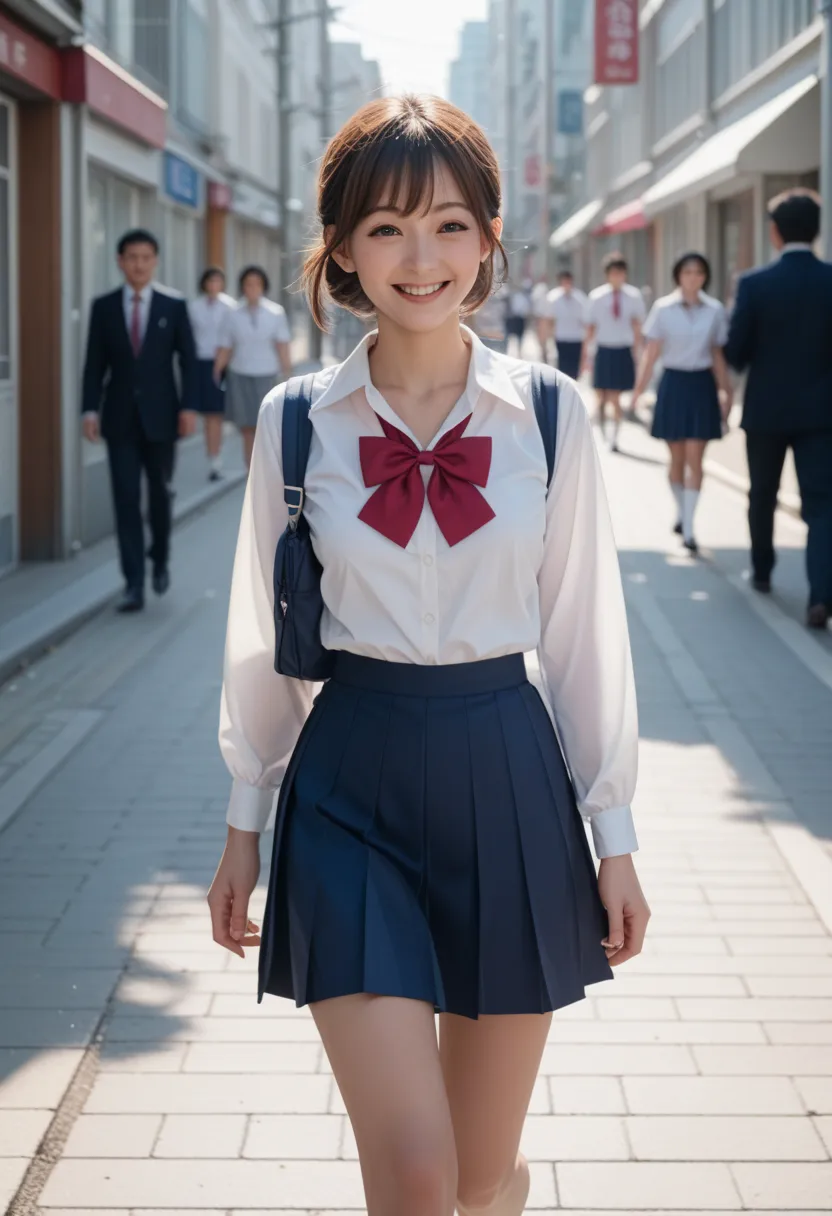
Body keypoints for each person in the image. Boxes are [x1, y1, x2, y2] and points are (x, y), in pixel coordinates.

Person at [207, 94, 649, 1216]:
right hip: (349, 783)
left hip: (506, 775)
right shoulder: (295, 421)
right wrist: (241, 829)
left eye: (451, 224)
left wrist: (617, 835)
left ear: (490, 238)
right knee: (414, 1178)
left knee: (479, 1171)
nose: (422, 256)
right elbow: (262, 642)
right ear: (343, 247)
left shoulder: (548, 415)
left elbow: (585, 631)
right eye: (389, 226)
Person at [725, 188, 832, 630]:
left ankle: (764, 572)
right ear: (817, 230)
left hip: (766, 409)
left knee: (763, 494)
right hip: (822, 413)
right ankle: (821, 596)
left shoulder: (754, 284)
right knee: (823, 505)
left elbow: (736, 352)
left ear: (774, 232)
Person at [81, 228, 197, 614]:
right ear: (120, 261)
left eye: (146, 257)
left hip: (163, 418)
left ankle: (159, 557)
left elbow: (189, 359)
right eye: (132, 257)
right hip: (118, 419)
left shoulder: (173, 305)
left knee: (160, 495)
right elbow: (94, 364)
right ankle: (133, 583)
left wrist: (188, 408)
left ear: (155, 261)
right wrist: (89, 409)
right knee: (126, 499)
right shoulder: (104, 307)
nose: (139, 264)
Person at [632, 253, 732, 554]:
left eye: (699, 272)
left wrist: (727, 391)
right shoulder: (663, 308)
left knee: (695, 458)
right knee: (675, 459)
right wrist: (637, 392)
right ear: (678, 275)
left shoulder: (714, 310)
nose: (693, 277)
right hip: (673, 384)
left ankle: (689, 527)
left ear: (705, 276)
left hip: (701, 385)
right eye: (688, 272)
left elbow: (717, 354)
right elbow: (651, 354)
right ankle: (681, 511)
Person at [213, 265, 293, 468]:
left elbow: (282, 346)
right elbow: (225, 345)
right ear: (242, 287)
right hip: (239, 374)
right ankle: (250, 471)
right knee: (246, 427)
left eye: (257, 284)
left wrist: (288, 375)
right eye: (248, 284)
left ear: (264, 286)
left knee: (265, 425)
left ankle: (267, 469)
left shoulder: (275, 312)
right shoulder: (233, 313)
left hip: (267, 375)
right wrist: (215, 372)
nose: (253, 288)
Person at [585, 253, 645, 451]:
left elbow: (637, 327)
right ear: (607, 274)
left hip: (622, 350)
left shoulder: (634, 296)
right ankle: (602, 429)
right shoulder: (596, 296)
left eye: (621, 272)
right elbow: (590, 328)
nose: (617, 276)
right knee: (601, 395)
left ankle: (614, 436)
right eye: (614, 272)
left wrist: (639, 354)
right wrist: (586, 356)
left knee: (615, 396)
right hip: (603, 350)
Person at [189, 267, 236, 482]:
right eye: (210, 281)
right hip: (200, 362)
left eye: (218, 281)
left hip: (224, 362)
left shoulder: (230, 307)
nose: (214, 285)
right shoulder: (194, 306)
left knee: (218, 413)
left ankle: (218, 459)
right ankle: (213, 459)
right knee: (208, 414)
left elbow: (235, 336)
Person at [543, 269, 589, 381]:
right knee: (562, 369)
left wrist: (587, 342)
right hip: (561, 337)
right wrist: (546, 340)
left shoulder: (580, 298)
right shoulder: (553, 297)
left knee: (574, 370)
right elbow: (549, 320)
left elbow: (585, 322)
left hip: (576, 338)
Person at [504, 280, 530, 356]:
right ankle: (506, 351)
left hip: (520, 319)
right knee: (508, 336)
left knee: (520, 337)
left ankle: (519, 351)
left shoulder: (523, 297)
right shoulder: (511, 295)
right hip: (511, 318)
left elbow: (526, 309)